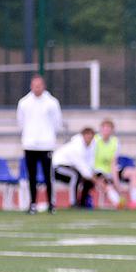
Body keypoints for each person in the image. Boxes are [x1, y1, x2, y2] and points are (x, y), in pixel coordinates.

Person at [16, 74, 62, 214]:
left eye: (39, 85)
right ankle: (33, 204)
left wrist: (48, 136)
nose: (37, 88)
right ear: (31, 86)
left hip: (46, 145)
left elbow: (57, 122)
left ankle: (51, 204)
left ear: (43, 86)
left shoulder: (52, 102)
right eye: (35, 86)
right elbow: (21, 122)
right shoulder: (24, 102)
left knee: (48, 177)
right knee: (32, 176)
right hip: (30, 145)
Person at [93, 119, 136, 210]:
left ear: (112, 130)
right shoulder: (95, 141)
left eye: (108, 128)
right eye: (104, 128)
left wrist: (117, 184)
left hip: (111, 171)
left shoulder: (115, 142)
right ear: (101, 129)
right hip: (98, 171)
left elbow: (113, 163)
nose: (106, 131)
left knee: (134, 173)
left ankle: (135, 202)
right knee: (106, 183)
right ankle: (118, 203)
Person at [52, 127, 96, 208]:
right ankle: (73, 202)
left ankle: (83, 202)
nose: (89, 139)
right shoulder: (76, 146)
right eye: (87, 136)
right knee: (75, 175)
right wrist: (92, 177)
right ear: (83, 136)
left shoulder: (91, 145)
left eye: (91, 137)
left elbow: (89, 162)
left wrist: (93, 175)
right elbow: (80, 164)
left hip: (71, 167)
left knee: (88, 182)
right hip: (57, 167)